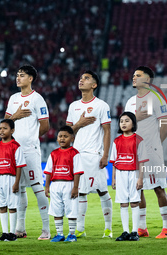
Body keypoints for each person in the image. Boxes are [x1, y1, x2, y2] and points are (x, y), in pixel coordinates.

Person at [4, 65, 50, 240]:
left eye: (22, 75)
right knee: (19, 189)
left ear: (30, 78)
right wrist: (14, 116)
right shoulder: (13, 98)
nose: (18, 78)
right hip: (14, 150)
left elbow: (45, 126)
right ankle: (20, 228)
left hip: (30, 150)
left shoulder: (37, 99)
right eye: (17, 75)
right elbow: (6, 124)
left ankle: (46, 229)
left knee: (37, 187)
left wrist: (30, 138)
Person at [125, 66, 167, 239]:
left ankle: (166, 229)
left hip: (152, 151)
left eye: (138, 75)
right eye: (133, 74)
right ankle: (142, 228)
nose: (134, 77)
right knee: (138, 188)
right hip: (134, 151)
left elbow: (165, 125)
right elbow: (127, 125)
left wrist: (156, 145)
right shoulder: (130, 101)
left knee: (158, 187)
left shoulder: (156, 98)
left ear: (148, 79)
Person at [66, 70, 113, 238]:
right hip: (77, 154)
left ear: (94, 85)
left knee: (102, 191)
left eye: (86, 78)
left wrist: (105, 155)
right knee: (79, 191)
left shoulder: (101, 105)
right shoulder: (73, 106)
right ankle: (80, 228)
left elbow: (107, 131)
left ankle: (108, 228)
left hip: (94, 154)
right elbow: (67, 132)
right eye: (80, 77)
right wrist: (79, 123)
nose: (81, 80)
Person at [111, 112, 148, 241]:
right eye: (121, 121)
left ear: (133, 123)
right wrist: (114, 178)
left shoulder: (138, 140)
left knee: (134, 202)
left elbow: (142, 161)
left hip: (134, 173)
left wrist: (140, 178)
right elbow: (114, 161)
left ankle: (134, 232)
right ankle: (125, 231)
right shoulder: (116, 141)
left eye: (127, 121)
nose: (124, 123)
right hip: (120, 174)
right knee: (123, 203)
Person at [0, 119, 26, 241]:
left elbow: (19, 166)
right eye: (0, 128)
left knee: (12, 206)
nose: (2, 130)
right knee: (2, 205)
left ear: (12, 130)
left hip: (11, 178)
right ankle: (4, 232)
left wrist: (16, 183)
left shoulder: (16, 146)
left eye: (5, 128)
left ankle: (12, 233)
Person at [44, 126, 84, 243]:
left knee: (71, 210)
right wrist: (47, 187)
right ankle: (59, 234)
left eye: (65, 136)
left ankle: (72, 234)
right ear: (57, 138)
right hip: (55, 185)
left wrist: (75, 188)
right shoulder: (53, 153)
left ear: (72, 138)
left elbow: (77, 172)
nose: (62, 139)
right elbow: (48, 171)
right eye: (60, 136)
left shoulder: (74, 153)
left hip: (69, 184)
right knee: (56, 210)